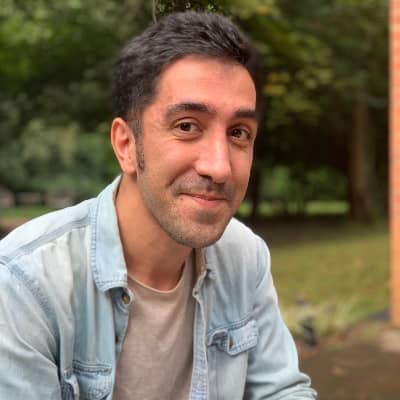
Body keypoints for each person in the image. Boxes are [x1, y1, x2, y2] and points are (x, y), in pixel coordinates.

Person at [0, 11, 317, 400]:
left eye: (239, 133)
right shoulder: (26, 284)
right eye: (187, 126)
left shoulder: (244, 255)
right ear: (126, 145)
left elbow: (281, 390)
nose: (219, 167)